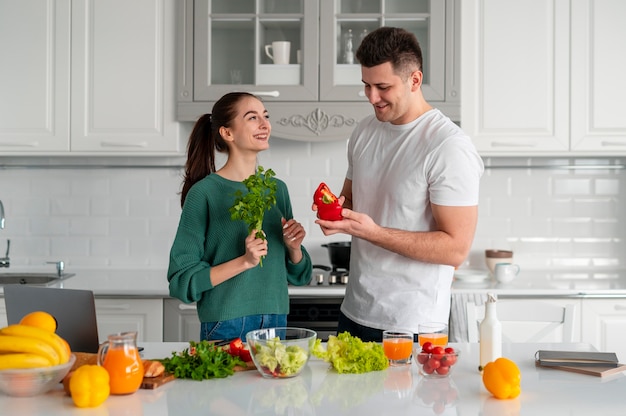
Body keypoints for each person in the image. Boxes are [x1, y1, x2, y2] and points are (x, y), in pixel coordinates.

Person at [314, 27, 484, 342]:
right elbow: (350, 200)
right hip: (354, 312)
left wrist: (372, 232)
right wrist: (337, 214)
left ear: (414, 80)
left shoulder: (448, 146)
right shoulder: (365, 131)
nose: (372, 98)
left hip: (412, 324)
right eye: (366, 86)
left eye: (382, 87)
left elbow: (456, 249)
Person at [168, 92, 312, 341]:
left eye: (265, 116)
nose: (265, 124)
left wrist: (294, 248)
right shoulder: (204, 193)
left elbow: (301, 275)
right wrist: (245, 261)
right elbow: (181, 281)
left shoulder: (277, 189)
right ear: (227, 133)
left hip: (276, 320)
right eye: (252, 117)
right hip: (226, 324)